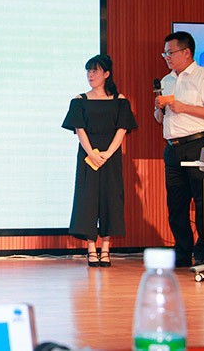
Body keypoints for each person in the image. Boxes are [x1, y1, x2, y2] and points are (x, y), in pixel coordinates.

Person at [154, 31, 204, 267]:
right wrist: (158, 109)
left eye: (170, 52)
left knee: (202, 201)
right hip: (172, 147)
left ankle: (203, 251)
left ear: (186, 52)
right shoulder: (166, 81)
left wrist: (184, 107)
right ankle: (182, 252)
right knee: (176, 203)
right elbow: (160, 119)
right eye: (165, 53)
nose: (166, 57)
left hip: (197, 145)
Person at [62, 54, 137, 267]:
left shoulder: (120, 101)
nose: (90, 75)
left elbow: (122, 129)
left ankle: (105, 249)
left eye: (95, 71)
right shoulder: (79, 100)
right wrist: (92, 154)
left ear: (106, 74)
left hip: (110, 157)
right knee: (88, 200)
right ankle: (91, 249)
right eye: (88, 71)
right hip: (88, 156)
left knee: (110, 199)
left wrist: (108, 153)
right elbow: (79, 129)